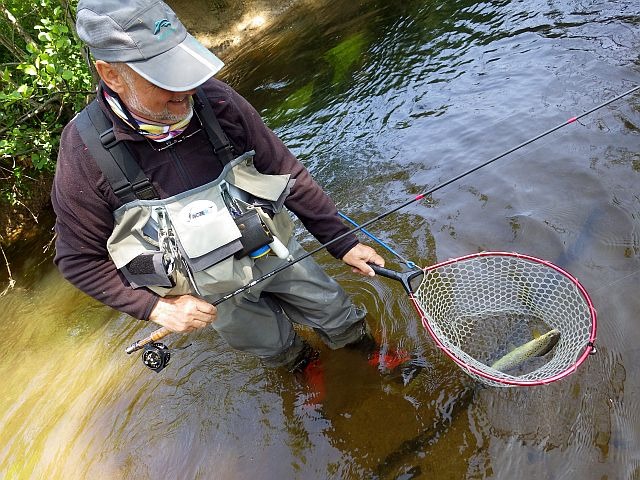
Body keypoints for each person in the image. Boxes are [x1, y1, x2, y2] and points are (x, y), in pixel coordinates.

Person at [51, 0, 386, 373]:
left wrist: (342, 242)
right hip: (213, 295)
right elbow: (79, 261)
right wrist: (156, 307)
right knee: (272, 345)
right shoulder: (84, 153)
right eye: (165, 79)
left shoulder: (217, 100)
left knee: (335, 310)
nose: (189, 89)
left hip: (273, 250)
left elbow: (285, 170)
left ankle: (371, 354)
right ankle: (305, 369)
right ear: (110, 74)